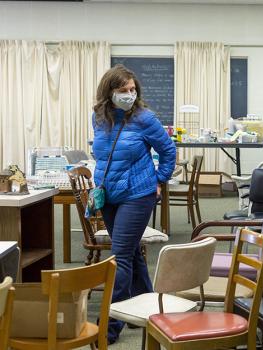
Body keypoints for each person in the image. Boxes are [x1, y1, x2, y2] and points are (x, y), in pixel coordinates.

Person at [91, 64, 176, 344]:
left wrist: (159, 180)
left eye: (132, 89)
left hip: (137, 195)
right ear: (109, 92)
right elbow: (103, 155)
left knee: (120, 257)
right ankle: (147, 308)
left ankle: (109, 326)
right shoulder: (99, 117)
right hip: (109, 195)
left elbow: (168, 151)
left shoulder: (145, 118)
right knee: (131, 253)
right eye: (122, 90)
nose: (129, 94)